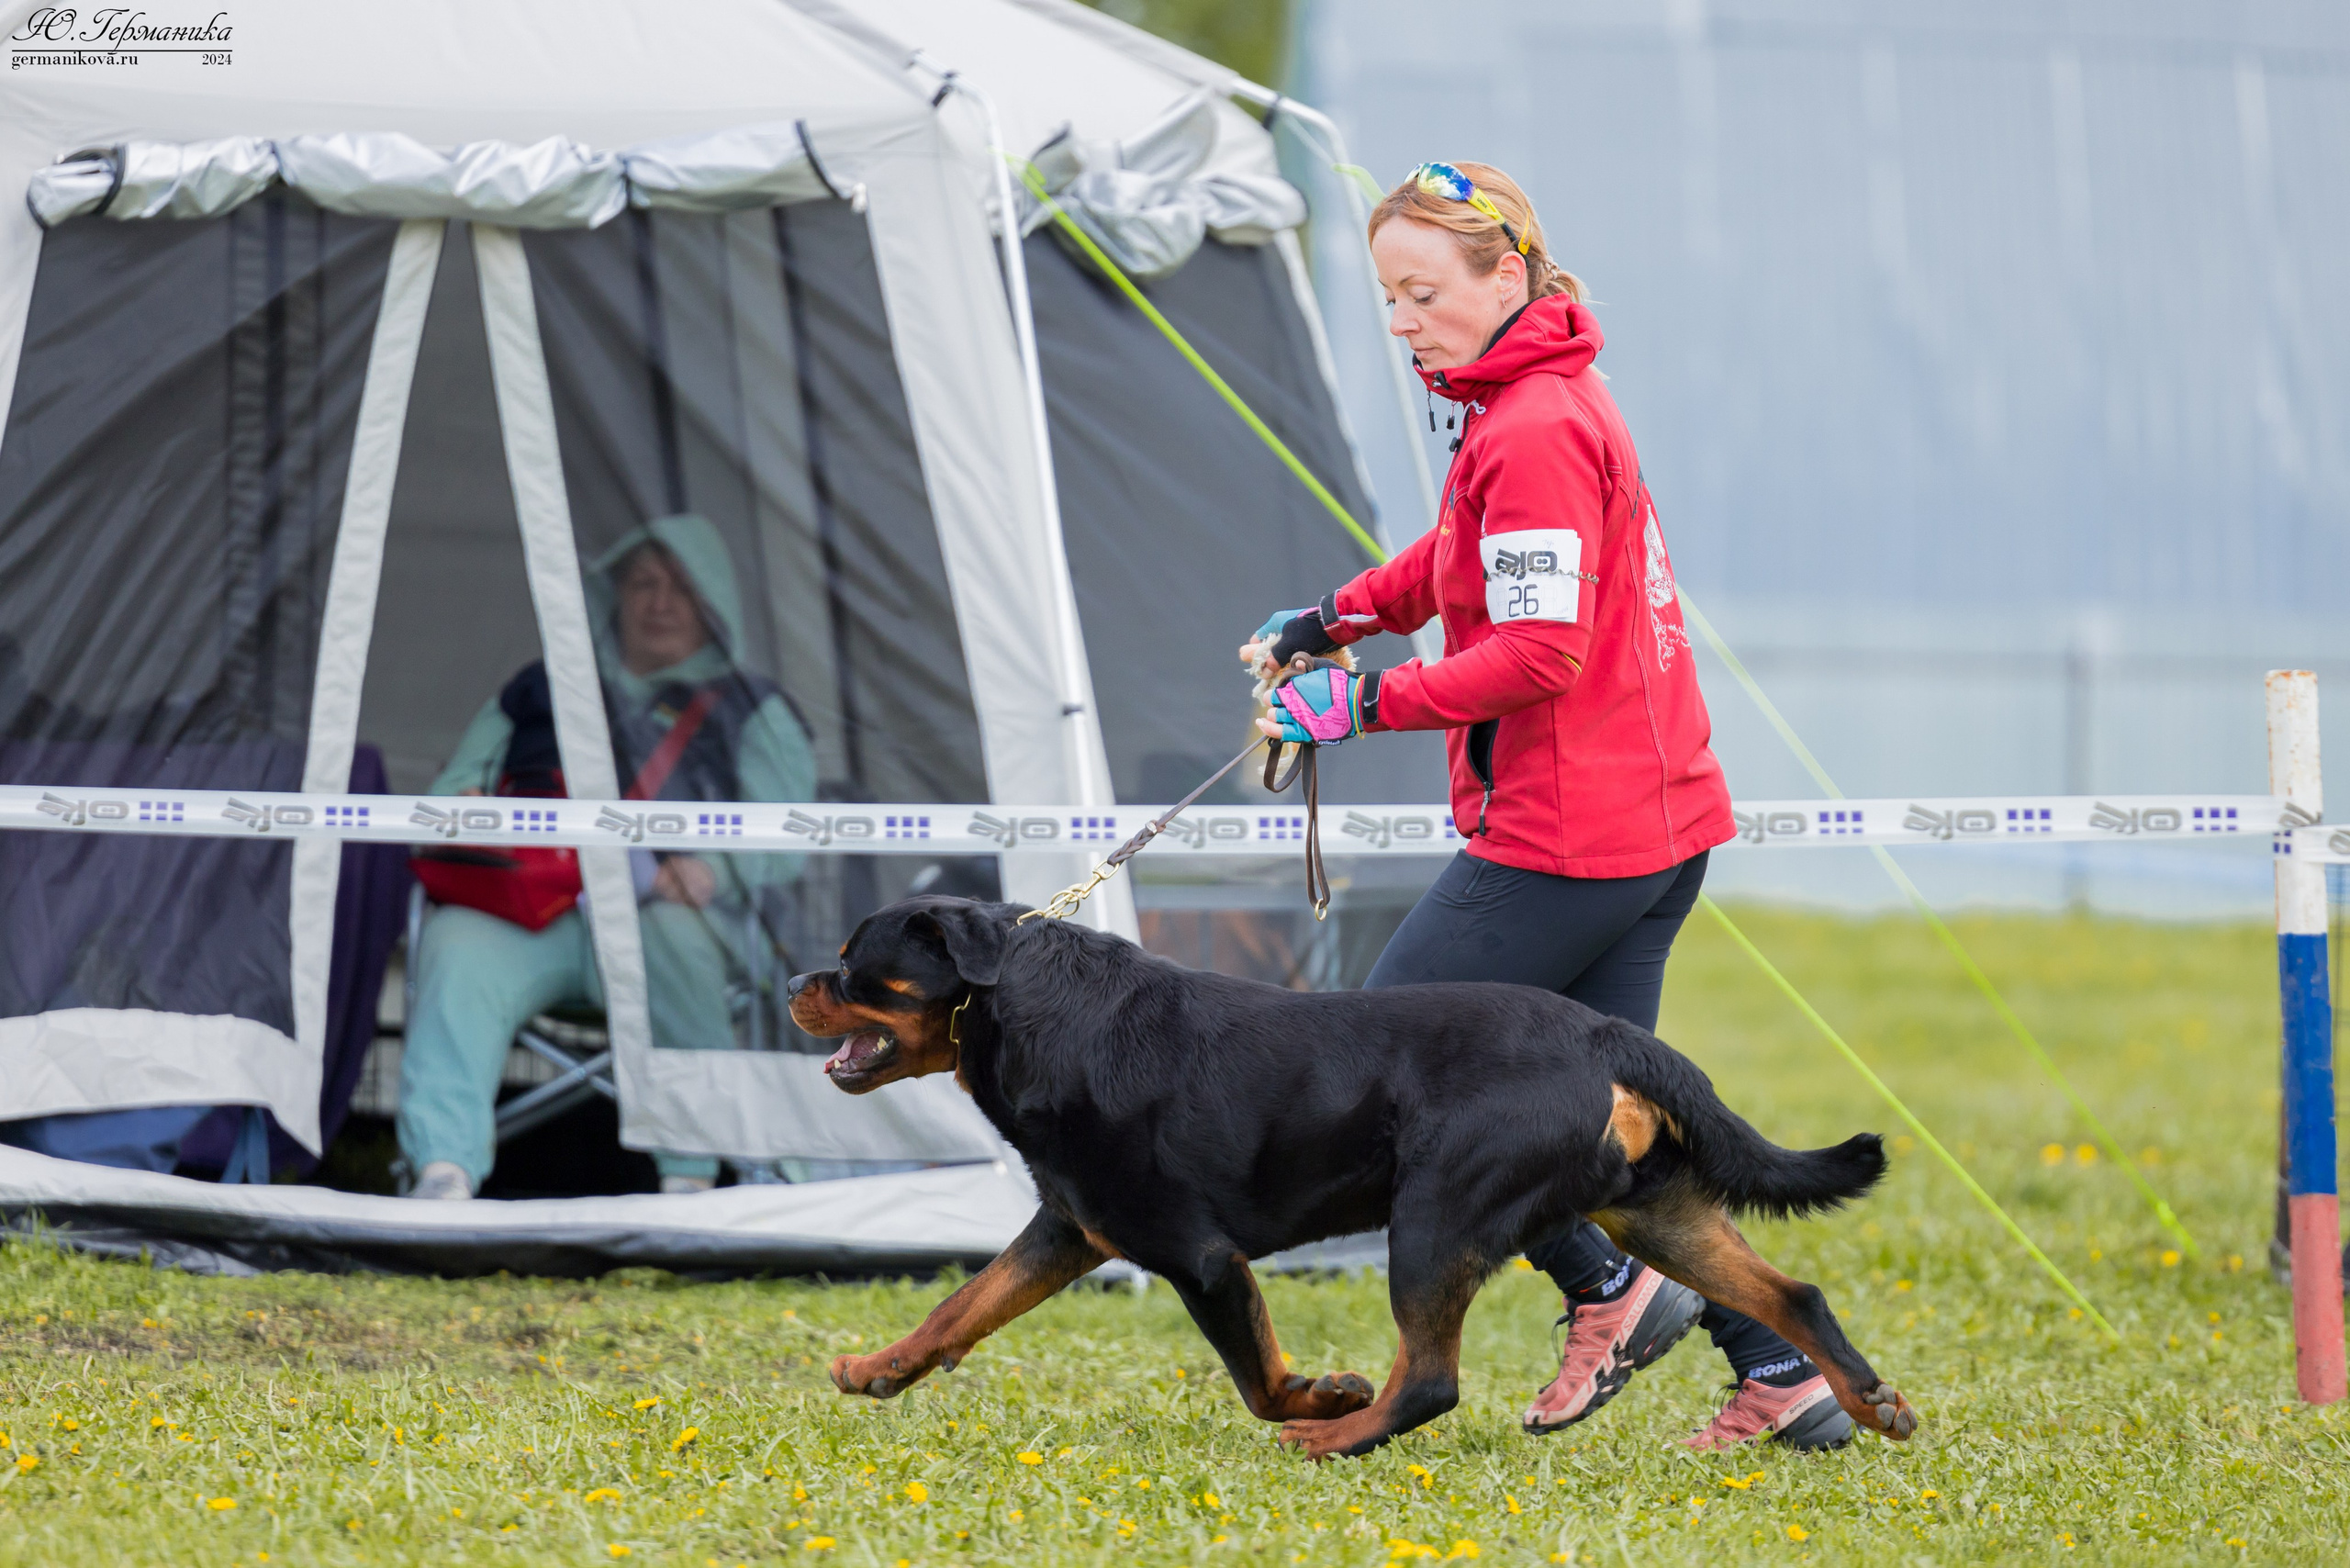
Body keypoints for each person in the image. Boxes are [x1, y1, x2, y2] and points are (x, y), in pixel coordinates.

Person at [1242, 162, 1849, 1451]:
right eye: (1388, 299)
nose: (1401, 322)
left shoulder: (1531, 424)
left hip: (1570, 843)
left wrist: (1359, 705)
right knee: (1606, 1138)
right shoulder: (1530, 397)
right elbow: (1461, 558)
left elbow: (1540, 654)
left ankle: (1610, 1287)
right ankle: (1784, 1371)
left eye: (1422, 294)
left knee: (1385, 1081)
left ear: (1504, 274)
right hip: (1648, 829)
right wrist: (1336, 616)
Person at [398, 513, 815, 1200]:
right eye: (642, 584)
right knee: (457, 943)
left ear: (714, 602)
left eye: (680, 587)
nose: (658, 603)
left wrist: (717, 865)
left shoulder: (756, 708)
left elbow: (792, 831)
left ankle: (692, 1177)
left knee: (675, 936)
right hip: (537, 915)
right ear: (612, 597)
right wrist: (467, 806)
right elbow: (448, 792)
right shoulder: (538, 689)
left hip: (674, 925)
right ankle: (442, 1170)